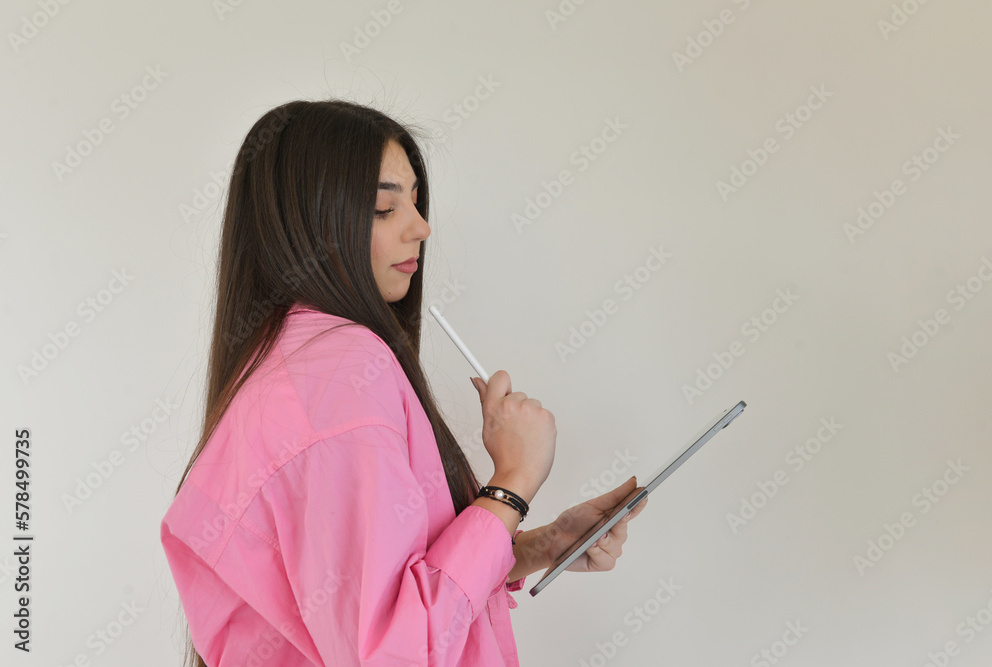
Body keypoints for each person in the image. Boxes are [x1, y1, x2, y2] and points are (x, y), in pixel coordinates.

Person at [160, 99, 649, 667]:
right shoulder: (336, 372)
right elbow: (394, 650)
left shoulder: (292, 361)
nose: (421, 227)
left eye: (415, 201)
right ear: (311, 225)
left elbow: (371, 599)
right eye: (383, 208)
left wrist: (543, 543)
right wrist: (513, 482)